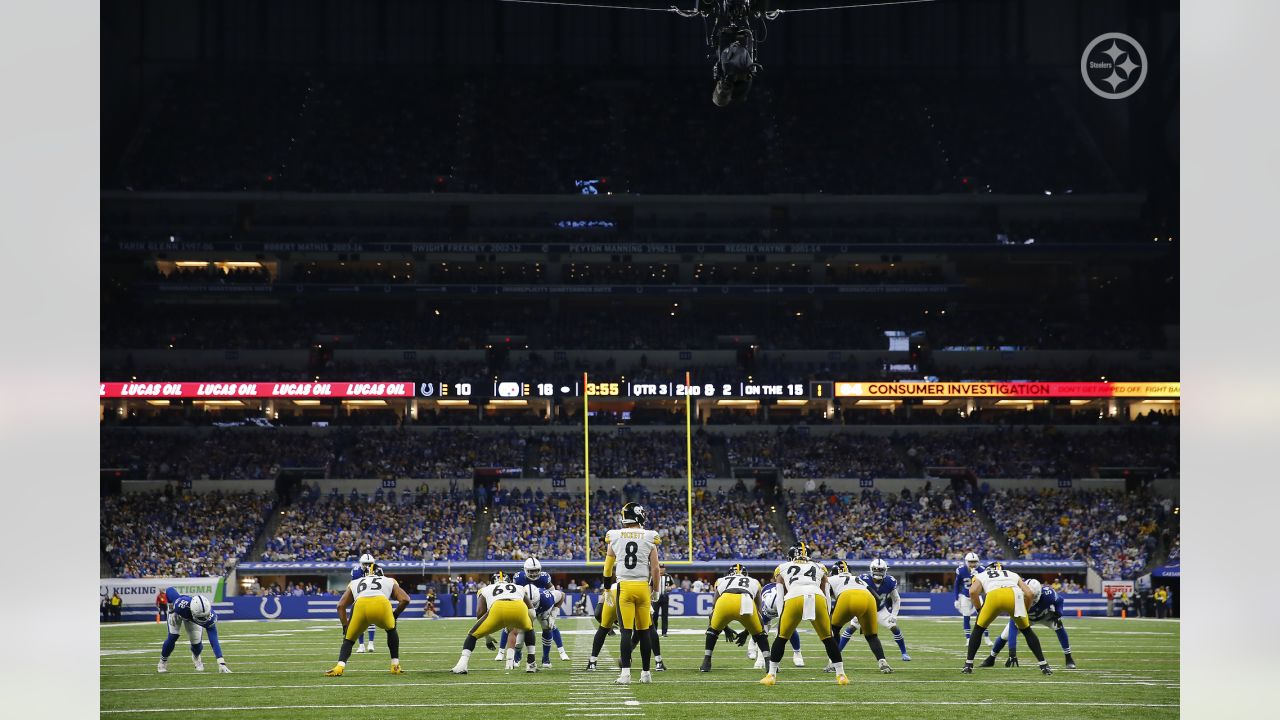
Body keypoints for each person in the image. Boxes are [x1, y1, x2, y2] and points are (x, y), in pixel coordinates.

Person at [760, 543, 848, 686]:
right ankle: (841, 675)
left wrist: (782, 615)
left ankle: (771, 675)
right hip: (817, 597)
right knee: (828, 638)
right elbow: (826, 590)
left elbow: (781, 591)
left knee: (781, 638)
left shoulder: (782, 567)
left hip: (794, 596)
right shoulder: (820, 567)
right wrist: (827, 612)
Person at [603, 501, 662, 685]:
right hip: (643, 587)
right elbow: (656, 569)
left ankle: (626, 674)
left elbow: (607, 568)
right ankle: (646, 674)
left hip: (625, 588)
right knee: (644, 631)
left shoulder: (615, 536)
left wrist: (606, 588)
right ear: (639, 515)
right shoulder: (650, 536)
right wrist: (656, 590)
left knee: (626, 632)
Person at [961, 563, 1052, 676]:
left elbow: (972, 592)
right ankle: (1044, 665)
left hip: (994, 596)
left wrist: (979, 609)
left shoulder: (982, 574)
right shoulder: (1012, 574)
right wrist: (1025, 610)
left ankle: (968, 664)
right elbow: (1029, 593)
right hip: (1014, 595)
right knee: (1027, 631)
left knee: (978, 629)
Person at [324, 557, 411, 676]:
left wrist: (345, 626)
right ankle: (395, 665)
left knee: (348, 640)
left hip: (360, 605)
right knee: (391, 630)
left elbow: (340, 606)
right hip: (381, 604)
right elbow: (405, 599)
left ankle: (339, 667)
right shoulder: (389, 580)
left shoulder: (355, 582)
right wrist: (394, 616)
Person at [450, 572, 540, 675]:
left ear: (492, 582)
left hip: (498, 608)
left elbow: (479, 612)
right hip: (519, 607)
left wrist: (486, 636)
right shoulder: (519, 587)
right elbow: (531, 610)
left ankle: (462, 665)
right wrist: (528, 624)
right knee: (529, 629)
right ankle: (531, 663)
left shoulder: (485, 589)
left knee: (472, 635)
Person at [981, 579, 1076, 669]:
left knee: (1059, 625)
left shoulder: (1048, 594)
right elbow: (1013, 626)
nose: (1030, 598)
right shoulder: (1016, 597)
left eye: (1033, 596)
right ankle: (991, 658)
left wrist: (1059, 613)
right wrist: (1012, 652)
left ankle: (1069, 658)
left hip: (1045, 615)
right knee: (1005, 636)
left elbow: (1060, 600)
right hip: (1026, 618)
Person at [699, 564, 771, 672]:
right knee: (760, 634)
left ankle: (706, 662)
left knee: (712, 630)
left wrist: (725, 628)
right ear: (746, 574)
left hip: (725, 600)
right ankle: (768, 663)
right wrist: (748, 632)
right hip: (746, 600)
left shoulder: (721, 580)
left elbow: (714, 605)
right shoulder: (754, 581)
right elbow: (758, 608)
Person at [826, 560, 894, 674]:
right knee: (872, 636)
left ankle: (833, 663)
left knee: (834, 629)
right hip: (869, 599)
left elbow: (826, 599)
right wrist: (865, 617)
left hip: (846, 598)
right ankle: (883, 663)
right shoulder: (858, 579)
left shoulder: (830, 579)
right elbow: (877, 598)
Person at [839, 558, 910, 661]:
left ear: (885, 570)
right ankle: (837, 652)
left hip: (880, 610)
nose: (878, 572)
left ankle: (904, 653)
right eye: (876, 569)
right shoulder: (863, 579)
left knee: (894, 627)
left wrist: (894, 615)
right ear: (871, 569)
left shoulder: (890, 581)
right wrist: (855, 611)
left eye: (881, 570)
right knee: (852, 627)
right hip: (864, 609)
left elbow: (896, 599)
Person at [156, 590, 231, 674]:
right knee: (173, 636)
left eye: (205, 616)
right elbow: (170, 590)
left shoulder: (210, 617)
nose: (204, 619)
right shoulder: (181, 605)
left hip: (189, 617)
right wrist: (172, 609)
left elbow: (214, 640)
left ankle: (196, 657)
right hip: (178, 613)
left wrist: (221, 662)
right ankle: (162, 662)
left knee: (197, 644)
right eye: (201, 617)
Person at [955, 552, 989, 643]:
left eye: (974, 562)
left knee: (983, 616)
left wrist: (976, 575)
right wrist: (956, 598)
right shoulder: (961, 570)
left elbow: (986, 585)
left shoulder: (982, 570)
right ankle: (968, 638)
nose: (973, 564)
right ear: (966, 562)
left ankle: (986, 637)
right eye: (970, 562)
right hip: (965, 596)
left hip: (977, 596)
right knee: (966, 616)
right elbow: (957, 585)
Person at [347, 564, 377, 654]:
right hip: (359, 597)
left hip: (371, 596)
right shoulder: (356, 571)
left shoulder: (376, 569)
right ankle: (361, 645)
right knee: (359, 621)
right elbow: (352, 585)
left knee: (371, 619)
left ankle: (371, 643)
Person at [655, 564, 674, 637]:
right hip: (656, 597)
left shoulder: (668, 576)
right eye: (660, 568)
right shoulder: (654, 575)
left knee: (664, 616)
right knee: (654, 615)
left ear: (664, 569)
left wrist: (670, 587)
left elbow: (673, 585)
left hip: (664, 597)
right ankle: (654, 632)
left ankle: (664, 632)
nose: (661, 569)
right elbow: (650, 585)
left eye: (662, 568)